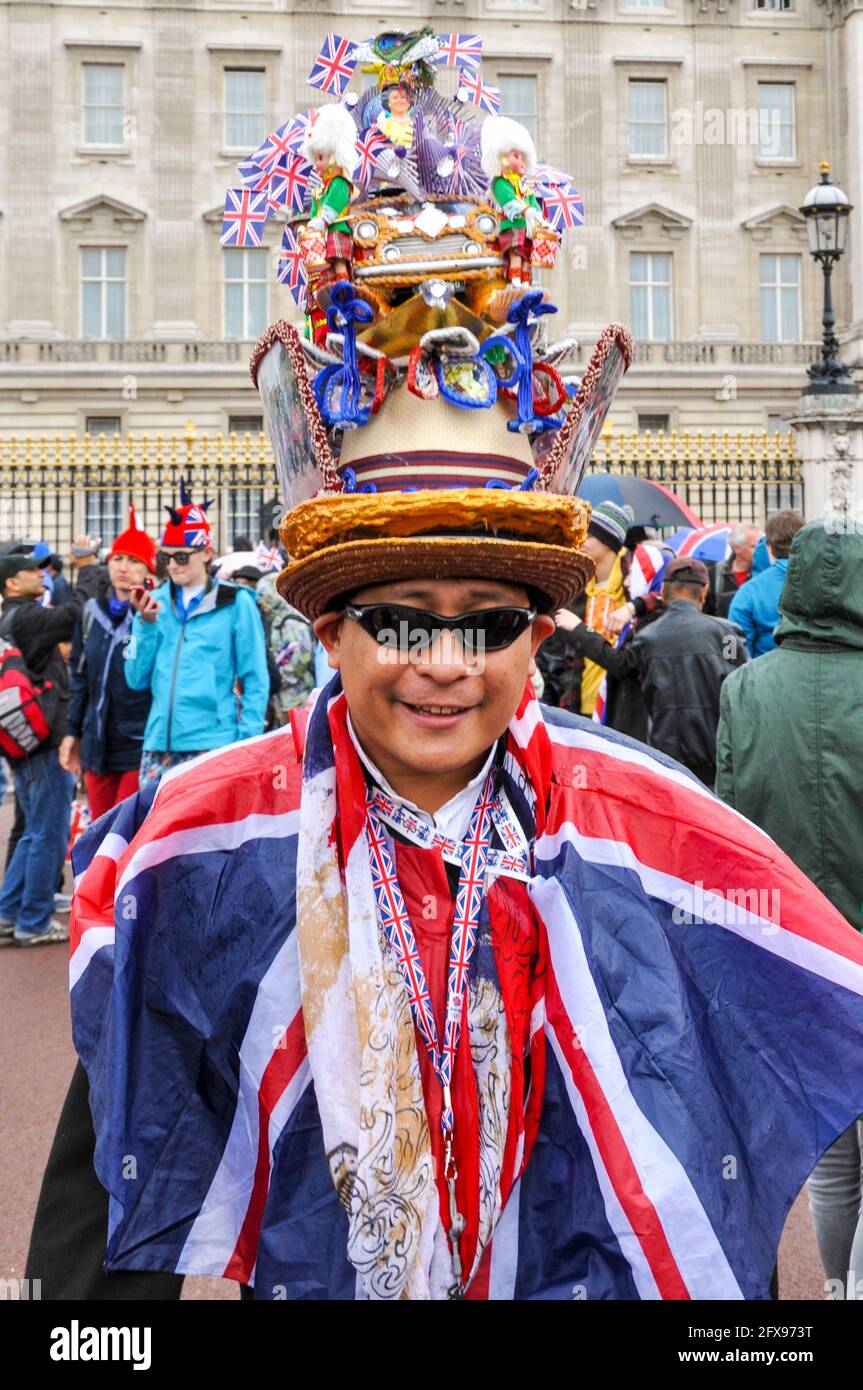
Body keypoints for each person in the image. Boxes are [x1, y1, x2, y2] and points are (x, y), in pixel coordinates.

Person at [24, 29, 863, 1299]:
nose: (444, 665)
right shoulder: (200, 839)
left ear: (542, 630)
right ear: (327, 627)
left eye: (490, 621)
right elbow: (114, 1194)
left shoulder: (643, 822)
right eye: (400, 617)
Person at [716, 518, 863, 1297]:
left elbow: (732, 815)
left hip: (793, 940)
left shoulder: (746, 686)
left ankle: (829, 1288)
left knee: (828, 1149)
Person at [124, 481, 269, 787]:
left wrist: (247, 743)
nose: (173, 566)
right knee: (154, 835)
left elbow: (256, 677)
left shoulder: (238, 602)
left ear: (206, 552)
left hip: (214, 743)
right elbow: (132, 673)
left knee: (213, 836)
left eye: (181, 557)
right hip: (158, 746)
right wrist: (141, 625)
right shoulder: (154, 601)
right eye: (166, 557)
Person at [0, 555, 79, 945]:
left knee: (32, 831)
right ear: (11, 584)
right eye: (32, 570)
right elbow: (72, 614)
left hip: (23, 739)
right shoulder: (26, 617)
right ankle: (32, 920)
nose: (41, 574)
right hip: (44, 740)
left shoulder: (12, 619)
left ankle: (9, 912)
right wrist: (93, 570)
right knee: (48, 831)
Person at [59, 508, 156, 819]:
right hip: (97, 742)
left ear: (147, 569)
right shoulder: (90, 612)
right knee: (100, 833)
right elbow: (79, 677)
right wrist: (72, 732)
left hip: (138, 743)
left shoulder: (154, 614)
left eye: (133, 561)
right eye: (117, 559)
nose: (123, 568)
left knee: (126, 832)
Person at [551, 541, 672, 741]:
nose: (627, 582)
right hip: (588, 701)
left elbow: (623, 663)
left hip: (629, 715)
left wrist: (579, 630)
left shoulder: (654, 616)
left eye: (634, 575)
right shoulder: (581, 589)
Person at [538, 500, 634, 715]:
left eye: (589, 536)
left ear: (609, 542)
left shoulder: (633, 587)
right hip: (580, 704)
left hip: (617, 707)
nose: (581, 540)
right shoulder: (578, 587)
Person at [728, 509, 804, 657]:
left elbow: (733, 652)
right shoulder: (833, 584)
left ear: (768, 546)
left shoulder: (749, 591)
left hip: (766, 675)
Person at [254, 568, 316, 722]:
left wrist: (275, 676)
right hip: (285, 700)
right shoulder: (277, 620)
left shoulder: (291, 623)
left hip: (298, 700)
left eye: (263, 595)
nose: (261, 601)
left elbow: (299, 660)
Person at [709, 523, 762, 617]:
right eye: (753, 546)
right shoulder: (716, 572)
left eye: (761, 545)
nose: (759, 549)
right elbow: (708, 612)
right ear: (737, 548)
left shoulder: (765, 572)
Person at [69, 534, 108, 603]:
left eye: (72, 548)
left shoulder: (90, 578)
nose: (68, 553)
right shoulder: (89, 574)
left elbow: (78, 608)